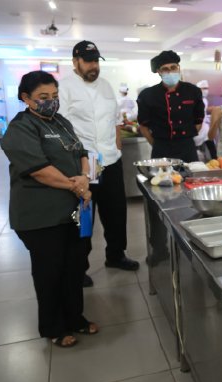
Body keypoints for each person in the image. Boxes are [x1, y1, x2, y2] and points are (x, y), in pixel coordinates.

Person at [1, 70, 99, 348]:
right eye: (43, 97)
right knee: (50, 271)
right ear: (26, 98)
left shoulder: (61, 122)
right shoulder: (21, 128)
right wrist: (77, 186)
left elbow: (82, 152)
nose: (50, 102)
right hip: (40, 215)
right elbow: (40, 171)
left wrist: (84, 176)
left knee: (74, 267)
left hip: (73, 210)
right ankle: (54, 327)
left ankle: (76, 318)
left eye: (54, 96)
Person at [59, 40, 140, 288]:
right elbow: (60, 126)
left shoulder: (105, 86)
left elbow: (115, 118)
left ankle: (116, 255)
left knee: (116, 212)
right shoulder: (64, 87)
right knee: (85, 216)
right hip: (86, 162)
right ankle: (79, 266)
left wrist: (116, 145)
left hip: (110, 159)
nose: (93, 66)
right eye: (88, 61)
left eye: (96, 61)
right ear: (75, 62)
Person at [136, 50, 204, 162]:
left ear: (179, 68)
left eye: (173, 67)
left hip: (187, 148)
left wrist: (184, 139)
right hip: (161, 148)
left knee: (190, 179)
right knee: (162, 179)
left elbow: (198, 121)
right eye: (165, 69)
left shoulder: (193, 91)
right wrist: (158, 144)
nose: (170, 72)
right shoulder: (148, 95)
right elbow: (143, 126)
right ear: (159, 72)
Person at [194, 79, 217, 160]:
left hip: (204, 129)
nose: (206, 90)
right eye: (203, 88)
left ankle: (214, 160)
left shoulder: (204, 100)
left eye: (207, 88)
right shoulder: (195, 100)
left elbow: (204, 111)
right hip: (196, 129)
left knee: (211, 148)